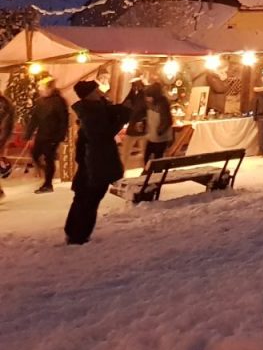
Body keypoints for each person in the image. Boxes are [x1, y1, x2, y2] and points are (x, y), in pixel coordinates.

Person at [65, 79, 130, 245]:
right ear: (89, 95)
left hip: (94, 161)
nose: (100, 93)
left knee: (84, 197)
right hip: (95, 162)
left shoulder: (97, 108)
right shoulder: (91, 112)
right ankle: (79, 234)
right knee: (89, 198)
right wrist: (121, 120)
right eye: (96, 91)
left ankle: (74, 231)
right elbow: (101, 135)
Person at [27, 77, 69, 193]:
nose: (40, 90)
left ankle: (48, 184)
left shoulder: (59, 101)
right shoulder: (40, 101)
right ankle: (48, 173)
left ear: (50, 88)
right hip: (42, 134)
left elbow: (63, 120)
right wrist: (28, 134)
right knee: (35, 155)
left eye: (42, 88)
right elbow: (34, 119)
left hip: (52, 136)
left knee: (49, 159)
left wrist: (60, 136)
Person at [142, 82, 175, 170]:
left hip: (160, 137)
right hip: (152, 136)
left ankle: (155, 175)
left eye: (149, 96)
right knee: (147, 156)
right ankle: (146, 172)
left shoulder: (163, 104)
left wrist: (160, 131)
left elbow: (167, 120)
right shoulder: (150, 103)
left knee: (157, 158)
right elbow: (149, 117)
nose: (147, 98)